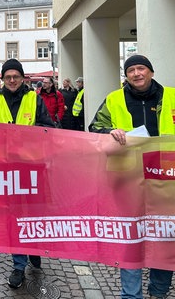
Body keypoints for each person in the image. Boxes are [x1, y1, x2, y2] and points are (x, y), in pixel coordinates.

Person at [89, 55, 175, 299]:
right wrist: (109, 131)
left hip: (165, 179)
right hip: (127, 178)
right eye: (131, 71)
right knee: (130, 237)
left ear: (151, 71)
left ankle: (158, 292)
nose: (136, 74)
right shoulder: (114, 99)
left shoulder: (172, 96)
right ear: (125, 76)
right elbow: (94, 128)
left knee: (165, 237)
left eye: (141, 68)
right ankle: (131, 296)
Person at [0, 58, 54, 289]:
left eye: (16, 76)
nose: (12, 80)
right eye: (8, 76)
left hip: (33, 167)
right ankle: (18, 265)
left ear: (22, 78)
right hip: (7, 168)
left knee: (33, 213)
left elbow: (49, 128)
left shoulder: (35, 99)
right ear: (3, 79)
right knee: (14, 215)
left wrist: (29, 135)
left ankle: (33, 247)